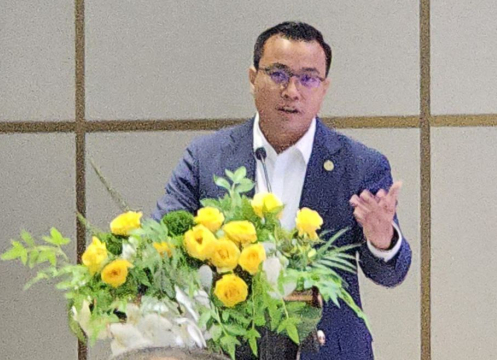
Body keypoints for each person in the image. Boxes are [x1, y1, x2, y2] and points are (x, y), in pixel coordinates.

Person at [153, 21, 412, 360]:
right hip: (227, 348)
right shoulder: (207, 158)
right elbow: (160, 241)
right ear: (252, 78)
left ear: (324, 88)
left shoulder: (360, 165)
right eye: (278, 74)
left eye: (308, 78)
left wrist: (382, 239)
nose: (292, 91)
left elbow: (392, 273)